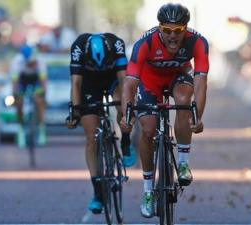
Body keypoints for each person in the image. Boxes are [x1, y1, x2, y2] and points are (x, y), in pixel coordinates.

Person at [120, 3, 209, 218]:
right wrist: (126, 116)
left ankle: (183, 163)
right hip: (149, 82)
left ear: (185, 29)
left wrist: (198, 116)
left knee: (183, 100)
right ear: (159, 28)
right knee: (148, 130)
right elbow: (129, 84)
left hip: (178, 77)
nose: (172, 36)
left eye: (178, 30)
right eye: (167, 30)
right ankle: (148, 190)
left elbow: (200, 83)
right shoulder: (144, 43)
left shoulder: (197, 41)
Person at [66, 33, 136, 214]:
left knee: (124, 105)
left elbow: (124, 81)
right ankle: (97, 193)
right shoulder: (78, 47)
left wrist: (128, 111)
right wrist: (74, 111)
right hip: (89, 82)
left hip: (112, 77)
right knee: (91, 137)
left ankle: (126, 141)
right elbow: (76, 83)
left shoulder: (117, 44)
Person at [10, 44, 47, 148]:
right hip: (22, 81)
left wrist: (42, 93)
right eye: (31, 63)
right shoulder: (17, 61)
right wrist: (16, 94)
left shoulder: (40, 60)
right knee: (18, 101)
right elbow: (15, 83)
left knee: (39, 100)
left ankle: (41, 130)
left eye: (35, 63)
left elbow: (43, 82)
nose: (33, 65)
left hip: (35, 81)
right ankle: (21, 129)